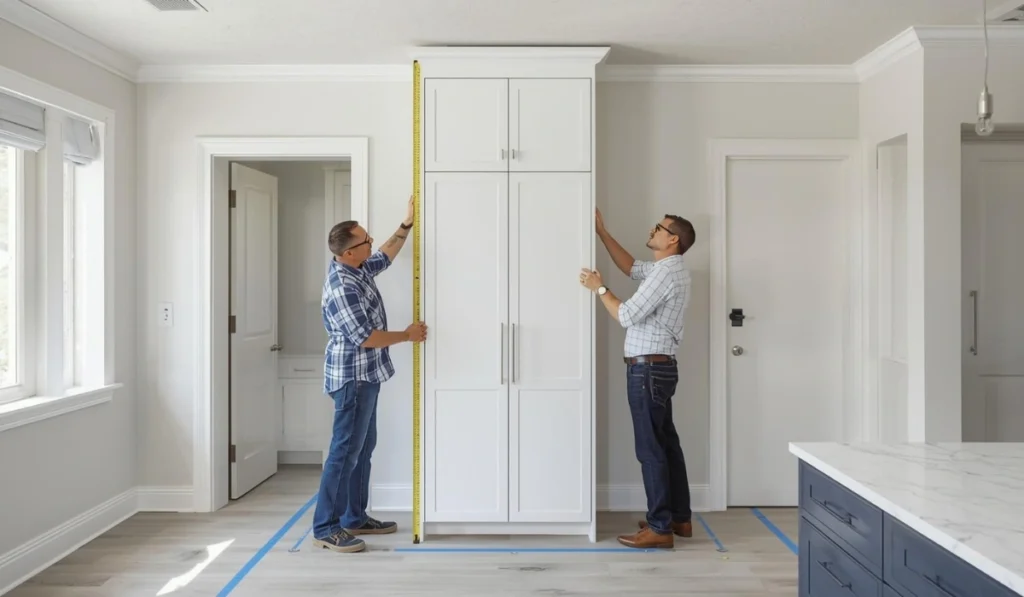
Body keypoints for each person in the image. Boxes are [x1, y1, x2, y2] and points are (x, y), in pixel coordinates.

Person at [312, 196, 427, 554]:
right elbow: (365, 337)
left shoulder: (357, 268)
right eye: (364, 240)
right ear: (348, 253)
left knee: (362, 448)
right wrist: (407, 336)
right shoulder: (342, 286)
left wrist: (405, 225)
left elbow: (385, 257)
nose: (371, 243)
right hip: (352, 379)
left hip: (367, 376)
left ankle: (354, 517)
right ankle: (325, 527)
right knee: (344, 452)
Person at [579, 208, 695, 549]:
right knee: (667, 446)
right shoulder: (667, 269)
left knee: (651, 450)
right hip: (659, 369)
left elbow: (626, 314)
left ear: (672, 239)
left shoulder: (665, 274)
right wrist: (603, 232)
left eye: (658, 227)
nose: (652, 229)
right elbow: (631, 267)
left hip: (648, 371)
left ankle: (660, 528)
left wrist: (599, 289)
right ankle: (678, 518)